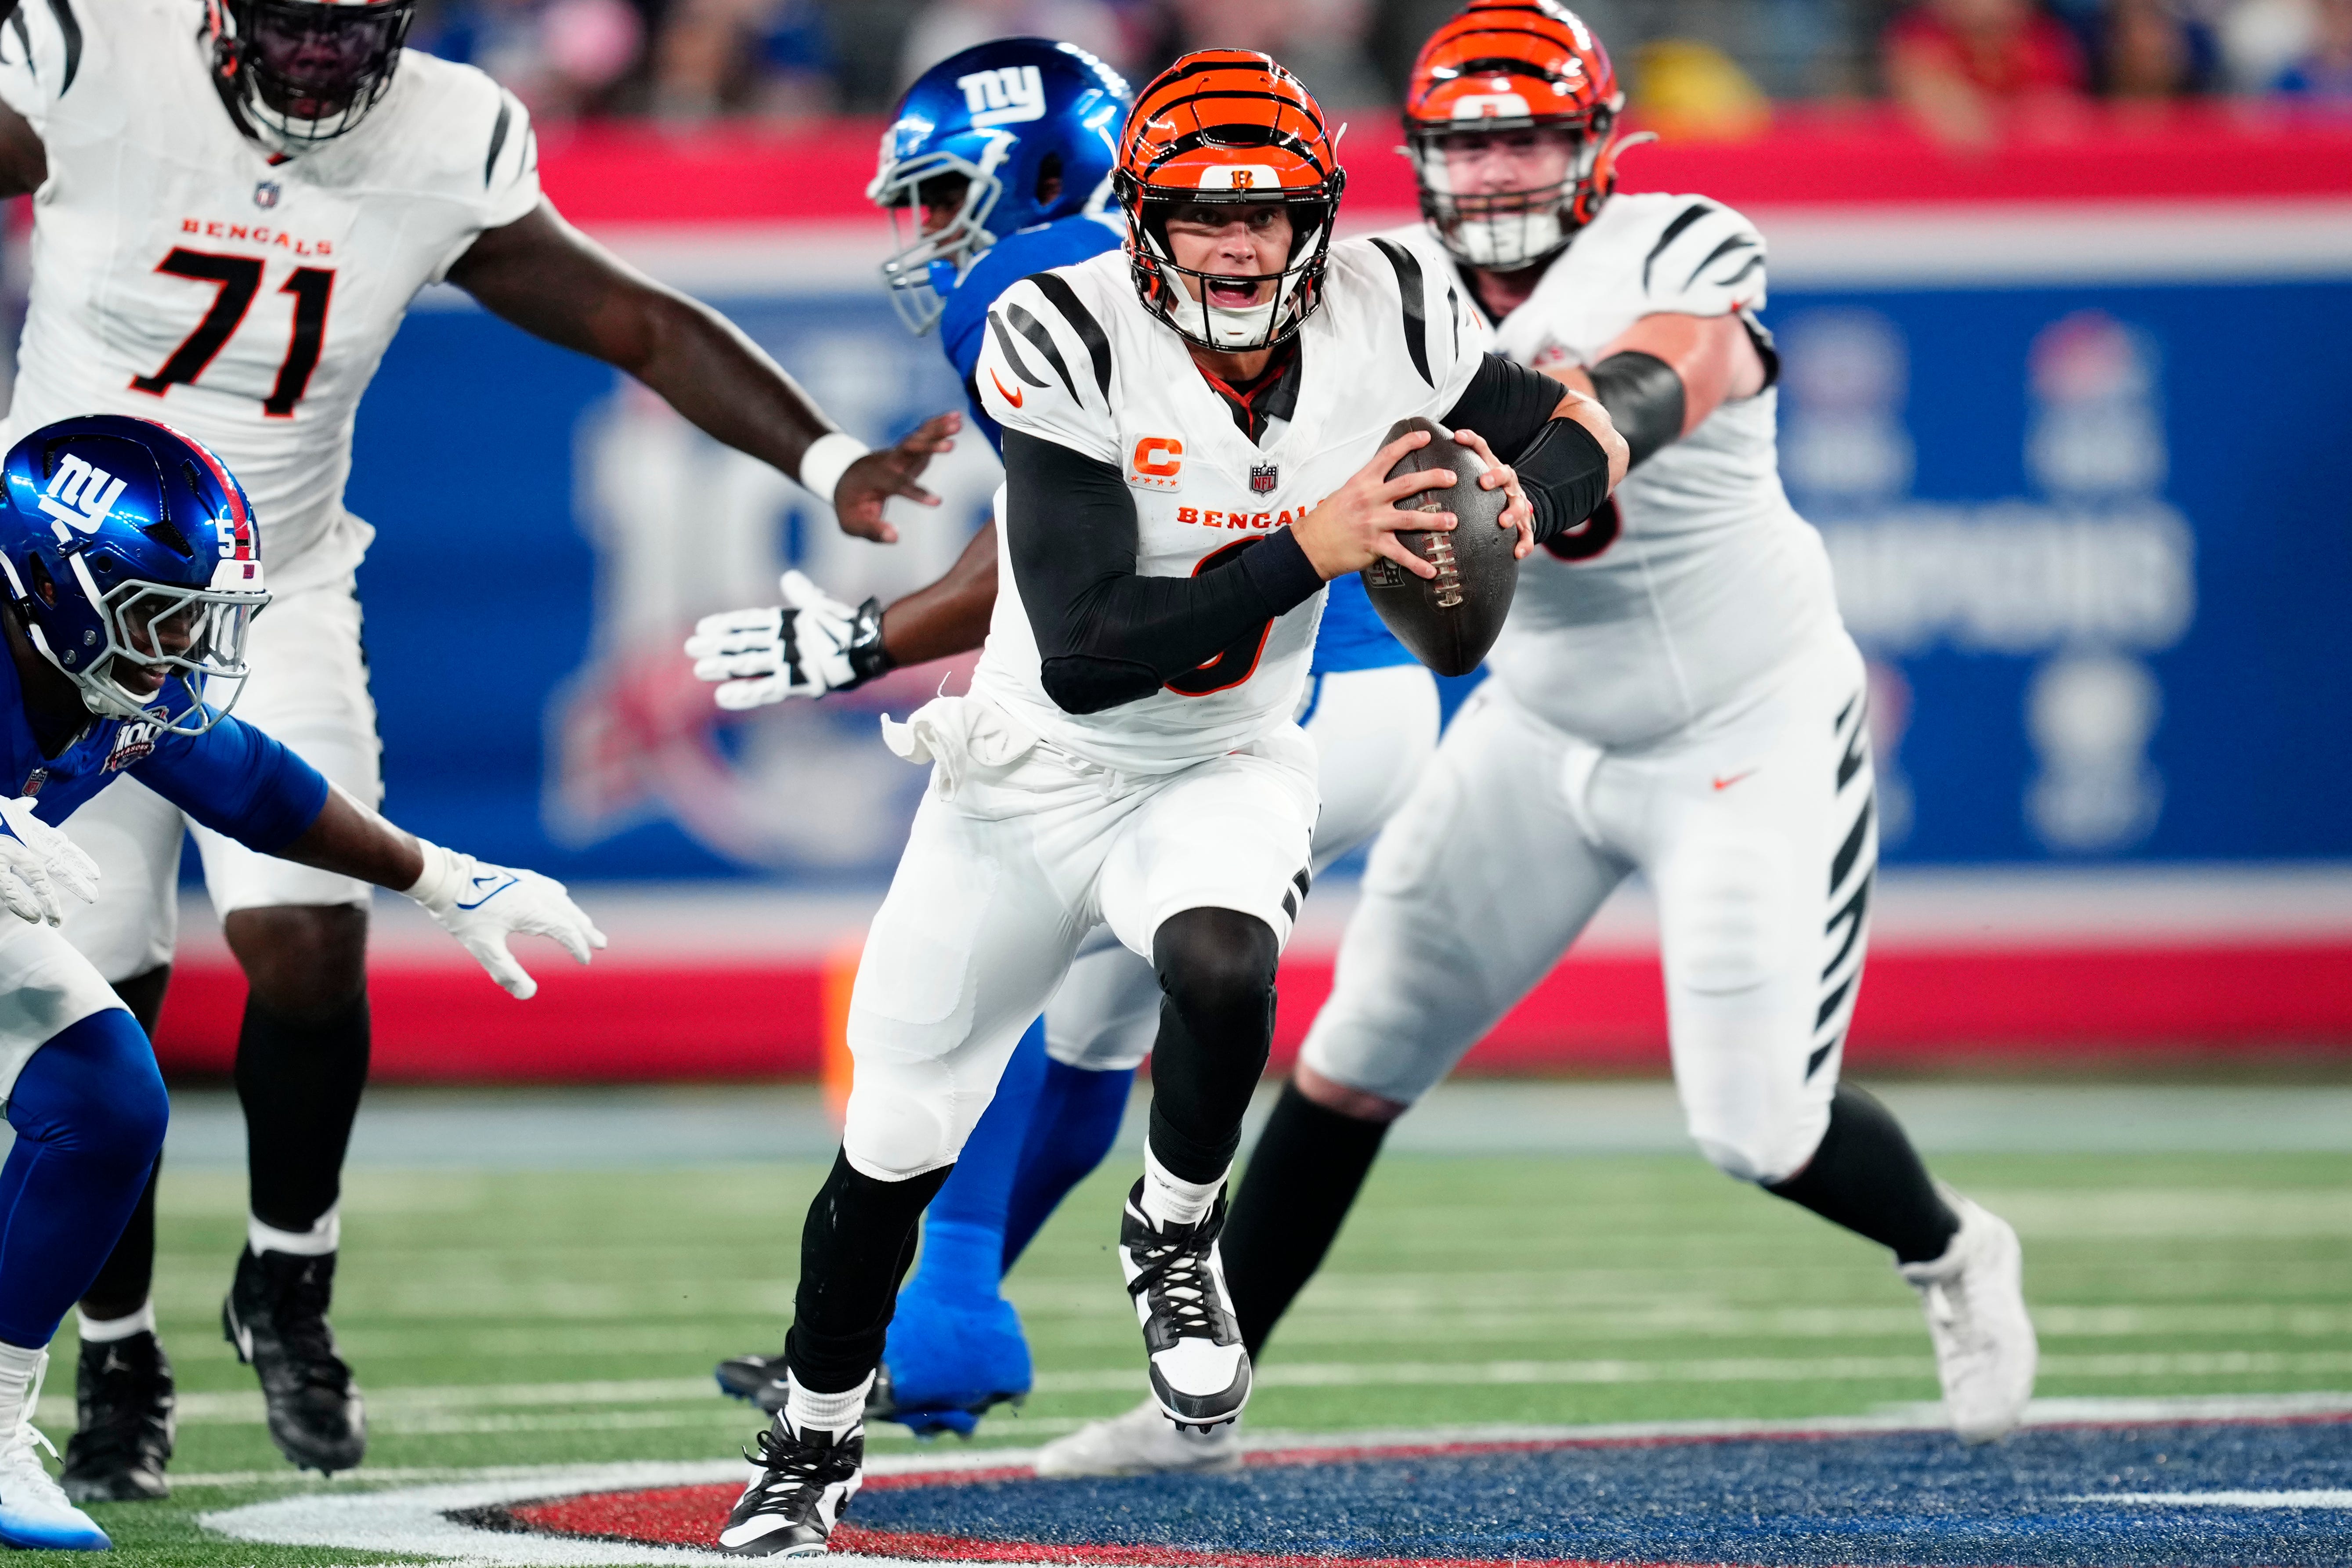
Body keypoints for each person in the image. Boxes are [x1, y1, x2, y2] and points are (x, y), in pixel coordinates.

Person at [1039, 0, 2039, 1481]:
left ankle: (1952, 1247)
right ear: (1417, 154)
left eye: (1528, 135)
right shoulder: (1372, 289)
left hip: (1739, 728)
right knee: (1351, 1059)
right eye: (1465, 140)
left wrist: (1548, 470)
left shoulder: (1678, 238)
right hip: (1538, 723)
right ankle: (1202, 1401)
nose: (1498, 170)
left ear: (1598, 143)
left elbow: (1662, 373)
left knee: (1758, 1124)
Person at [0, 0, 955, 1499]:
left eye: (348, 23)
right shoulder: (90, 54)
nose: (318, 56)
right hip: (51, 596)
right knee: (97, 985)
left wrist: (825, 459)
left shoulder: (447, 130)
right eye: (291, 22)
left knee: (307, 943)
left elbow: (630, 317)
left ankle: (288, 1282)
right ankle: (117, 1348)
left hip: (271, 585)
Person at [709, 48, 1624, 1556]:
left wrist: (1544, 486)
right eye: (1202, 216)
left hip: (1228, 760)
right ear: (1137, 220)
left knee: (1218, 957)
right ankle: (808, 1442)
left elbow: (1560, 422)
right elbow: (1080, 653)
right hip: (1028, 775)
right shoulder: (1054, 324)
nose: (1239, 246)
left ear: (1321, 221)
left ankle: (1176, 1226)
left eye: (1269, 218)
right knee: (891, 1146)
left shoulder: (1389, 302)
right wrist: (1311, 545)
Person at [0, 415, 601, 1552]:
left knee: (105, 1097)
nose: (182, 645)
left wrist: (439, 875)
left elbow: (252, 782)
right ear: (57, 584)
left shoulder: (97, 673)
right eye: (162, 613)